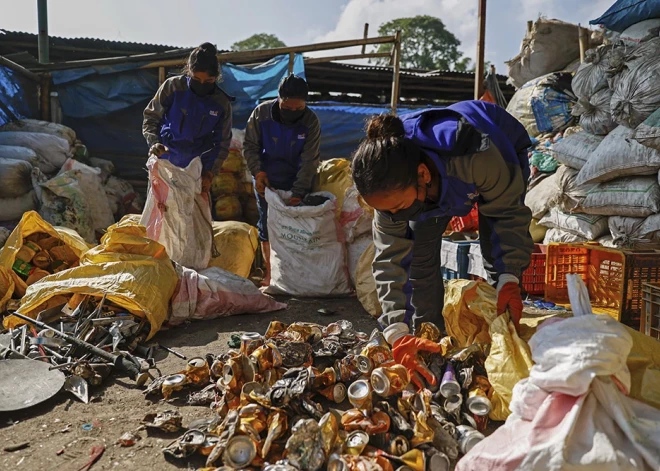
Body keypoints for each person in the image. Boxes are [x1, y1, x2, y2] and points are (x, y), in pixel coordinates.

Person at [351, 100, 534, 334]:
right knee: (418, 254)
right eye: (386, 211)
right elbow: (390, 259)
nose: (394, 216)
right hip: (430, 185)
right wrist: (396, 328)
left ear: (423, 174)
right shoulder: (387, 188)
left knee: (497, 248)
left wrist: (509, 277)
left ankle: (502, 323)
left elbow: (507, 213)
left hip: (498, 147)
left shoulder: (475, 155)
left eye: (398, 207)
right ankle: (430, 333)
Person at [243, 74, 321, 285]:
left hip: (298, 179)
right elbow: (250, 146)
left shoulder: (311, 121)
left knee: (297, 229)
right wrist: (258, 173)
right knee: (267, 224)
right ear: (278, 98)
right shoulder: (261, 113)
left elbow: (309, 159)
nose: (293, 113)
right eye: (287, 108)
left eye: (298, 109)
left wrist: (299, 192)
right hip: (267, 180)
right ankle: (271, 276)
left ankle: (297, 276)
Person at [142, 42, 233, 193]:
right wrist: (154, 143)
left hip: (196, 170)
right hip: (165, 162)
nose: (202, 85)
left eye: (209, 81)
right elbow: (151, 117)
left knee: (192, 214)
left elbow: (222, 143)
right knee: (161, 209)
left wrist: (210, 173)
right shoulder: (172, 87)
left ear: (216, 78)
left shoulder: (221, 103)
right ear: (189, 71)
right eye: (197, 80)